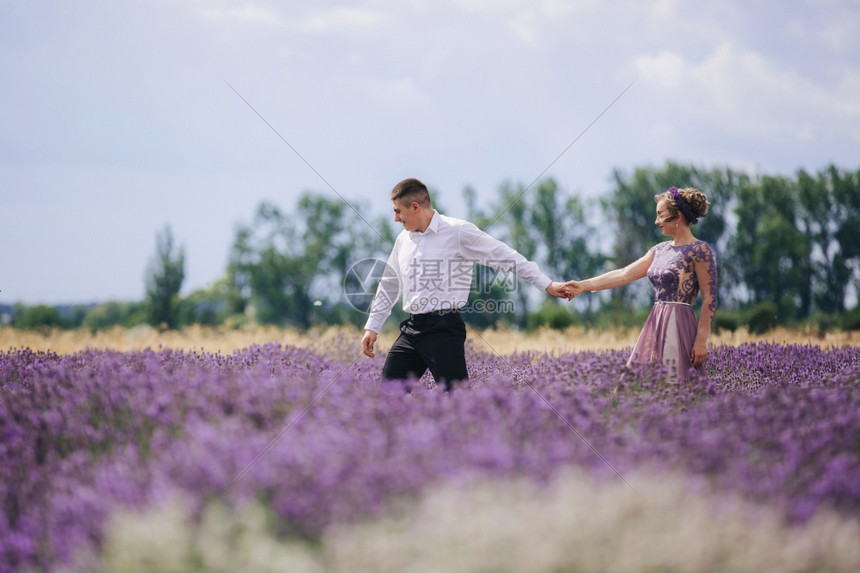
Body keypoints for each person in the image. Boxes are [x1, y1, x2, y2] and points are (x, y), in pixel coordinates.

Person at [361, 178, 570, 390]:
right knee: (388, 395)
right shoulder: (403, 240)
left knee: (458, 399)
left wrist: (546, 284)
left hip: (444, 330)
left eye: (398, 211)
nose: (396, 218)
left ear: (415, 207)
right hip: (411, 330)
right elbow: (389, 284)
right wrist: (372, 327)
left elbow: (505, 256)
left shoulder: (458, 231)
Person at [566, 187, 717, 381]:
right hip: (655, 322)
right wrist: (583, 286)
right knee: (639, 385)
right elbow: (623, 274)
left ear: (677, 216)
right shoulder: (659, 250)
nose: (656, 221)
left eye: (660, 215)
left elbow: (709, 298)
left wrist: (702, 339)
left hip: (680, 323)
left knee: (675, 384)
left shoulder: (700, 250)